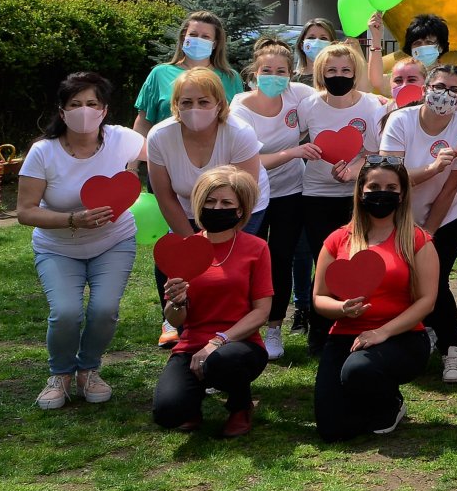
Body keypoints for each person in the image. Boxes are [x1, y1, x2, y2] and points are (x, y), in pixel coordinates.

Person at [19, 72, 146, 410]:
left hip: (114, 242)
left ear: (104, 110)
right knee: (65, 313)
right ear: (62, 112)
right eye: (75, 104)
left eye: (92, 103)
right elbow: (25, 212)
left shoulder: (123, 139)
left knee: (104, 310)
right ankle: (59, 374)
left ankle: (88, 368)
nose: (84, 110)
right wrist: (73, 219)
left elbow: (166, 146)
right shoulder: (42, 153)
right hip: (57, 247)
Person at [312, 157, 439, 440]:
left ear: (402, 193)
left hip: (401, 336)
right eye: (374, 187)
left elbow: (426, 301)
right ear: (360, 192)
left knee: (360, 369)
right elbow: (319, 298)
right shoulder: (337, 240)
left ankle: (391, 403)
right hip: (345, 334)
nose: (383, 193)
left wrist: (381, 332)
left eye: (391, 187)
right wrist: (342, 308)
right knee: (332, 431)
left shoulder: (417, 239)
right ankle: (361, 394)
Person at [146, 69, 265, 346]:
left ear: (220, 105)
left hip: (238, 206)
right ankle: (181, 324)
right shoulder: (159, 136)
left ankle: (235, 330)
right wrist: (192, 243)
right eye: (186, 102)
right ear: (175, 105)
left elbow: (247, 192)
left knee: (230, 268)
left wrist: (221, 237)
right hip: (186, 208)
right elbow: (164, 196)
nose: (194, 108)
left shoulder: (239, 133)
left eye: (203, 102)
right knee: (178, 260)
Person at [152, 167, 272, 436]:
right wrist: (178, 302)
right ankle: (192, 402)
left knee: (222, 361)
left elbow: (262, 312)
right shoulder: (185, 249)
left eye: (226, 203)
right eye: (210, 201)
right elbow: (173, 319)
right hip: (190, 345)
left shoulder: (256, 248)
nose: (217, 208)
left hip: (239, 345)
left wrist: (218, 341)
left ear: (240, 210)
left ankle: (240, 405)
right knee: (168, 413)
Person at [379, 61, 457, 383]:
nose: (445, 95)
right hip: (402, 212)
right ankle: (420, 333)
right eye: (439, 87)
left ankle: (453, 350)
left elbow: (450, 191)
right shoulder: (400, 121)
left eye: (454, 91)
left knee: (435, 279)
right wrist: (432, 169)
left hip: (450, 215)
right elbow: (389, 177)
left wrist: (429, 234)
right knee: (403, 279)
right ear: (425, 90)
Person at [232, 38, 322, 359]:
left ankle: (274, 329)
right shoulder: (240, 106)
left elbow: (332, 99)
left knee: (280, 260)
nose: (274, 76)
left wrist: (377, 103)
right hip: (251, 195)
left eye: (281, 71)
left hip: (289, 194)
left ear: (290, 74)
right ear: (254, 73)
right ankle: (243, 327)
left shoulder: (298, 95)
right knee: (246, 261)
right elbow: (248, 160)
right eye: (266, 70)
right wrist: (294, 151)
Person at [296, 41, 388, 355]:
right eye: (332, 70)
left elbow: (375, 152)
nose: (339, 75)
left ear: (355, 72)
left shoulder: (370, 106)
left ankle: (356, 324)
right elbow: (296, 140)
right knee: (325, 263)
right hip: (316, 195)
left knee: (355, 260)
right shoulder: (308, 105)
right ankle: (319, 332)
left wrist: (353, 171)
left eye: (346, 70)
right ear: (321, 72)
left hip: (356, 195)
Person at [134, 11, 246, 133]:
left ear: (214, 44)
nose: (198, 40)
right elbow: (143, 122)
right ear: (183, 38)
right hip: (167, 149)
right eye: (193, 34)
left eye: (205, 37)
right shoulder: (160, 74)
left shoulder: (230, 78)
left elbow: (239, 123)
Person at [295, 18, 339, 83]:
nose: (317, 42)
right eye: (311, 38)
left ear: (333, 44)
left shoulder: (339, 77)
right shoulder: (291, 80)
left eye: (323, 38)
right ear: (302, 45)